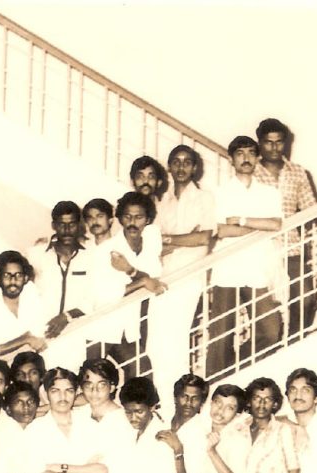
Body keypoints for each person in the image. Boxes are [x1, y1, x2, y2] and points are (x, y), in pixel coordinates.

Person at [205, 136, 283, 377]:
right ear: (231, 159)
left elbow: (276, 224)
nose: (246, 158)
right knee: (221, 337)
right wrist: (259, 228)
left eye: (250, 153)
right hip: (227, 267)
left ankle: (239, 368)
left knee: (271, 330)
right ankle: (216, 383)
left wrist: (240, 220)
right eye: (240, 153)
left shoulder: (269, 192)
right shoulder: (219, 193)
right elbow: (220, 230)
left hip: (257, 268)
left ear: (258, 157)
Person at [150, 145, 216, 410]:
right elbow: (154, 245)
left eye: (187, 162)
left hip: (188, 278)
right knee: (155, 343)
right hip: (161, 278)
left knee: (176, 342)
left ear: (195, 167)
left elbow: (204, 237)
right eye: (176, 161)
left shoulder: (204, 198)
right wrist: (182, 238)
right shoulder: (162, 202)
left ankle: (179, 405)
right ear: (169, 166)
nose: (181, 167)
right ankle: (165, 401)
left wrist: (168, 240)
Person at [86, 192, 167, 377]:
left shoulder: (150, 242)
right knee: (92, 377)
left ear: (147, 220)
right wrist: (142, 282)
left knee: (142, 373)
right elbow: (105, 294)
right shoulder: (106, 250)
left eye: (139, 217)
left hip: (128, 327)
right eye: (127, 217)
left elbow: (153, 279)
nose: (132, 223)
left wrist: (131, 271)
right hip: (102, 324)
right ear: (120, 219)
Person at [254, 118, 317, 340]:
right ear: (260, 143)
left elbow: (311, 208)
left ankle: (293, 343)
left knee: (305, 297)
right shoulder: (250, 172)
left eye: (279, 142)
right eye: (268, 142)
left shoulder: (297, 172)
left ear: (286, 143)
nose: (274, 147)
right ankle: (270, 348)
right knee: (267, 314)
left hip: (291, 247)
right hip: (260, 250)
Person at [28, 201, 95, 368]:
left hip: (76, 333)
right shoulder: (36, 254)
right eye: (61, 224)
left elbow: (93, 297)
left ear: (79, 225)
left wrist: (67, 316)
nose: (66, 230)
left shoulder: (90, 256)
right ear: (54, 225)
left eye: (72, 224)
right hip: (42, 335)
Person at [0, 250, 48, 358]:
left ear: (25, 278)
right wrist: (25, 339)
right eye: (7, 275)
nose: (13, 281)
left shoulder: (32, 293)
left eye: (18, 275)